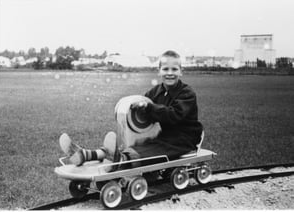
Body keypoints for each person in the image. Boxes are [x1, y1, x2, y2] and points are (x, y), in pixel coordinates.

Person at [59, 50, 203, 170]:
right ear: (159, 71)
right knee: (133, 144)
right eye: (165, 69)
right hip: (162, 135)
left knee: (151, 150)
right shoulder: (156, 91)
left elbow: (173, 115)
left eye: (174, 69)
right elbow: (143, 103)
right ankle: (85, 154)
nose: (169, 73)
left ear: (181, 72)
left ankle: (120, 160)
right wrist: (133, 106)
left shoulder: (186, 93)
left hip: (182, 138)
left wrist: (149, 108)